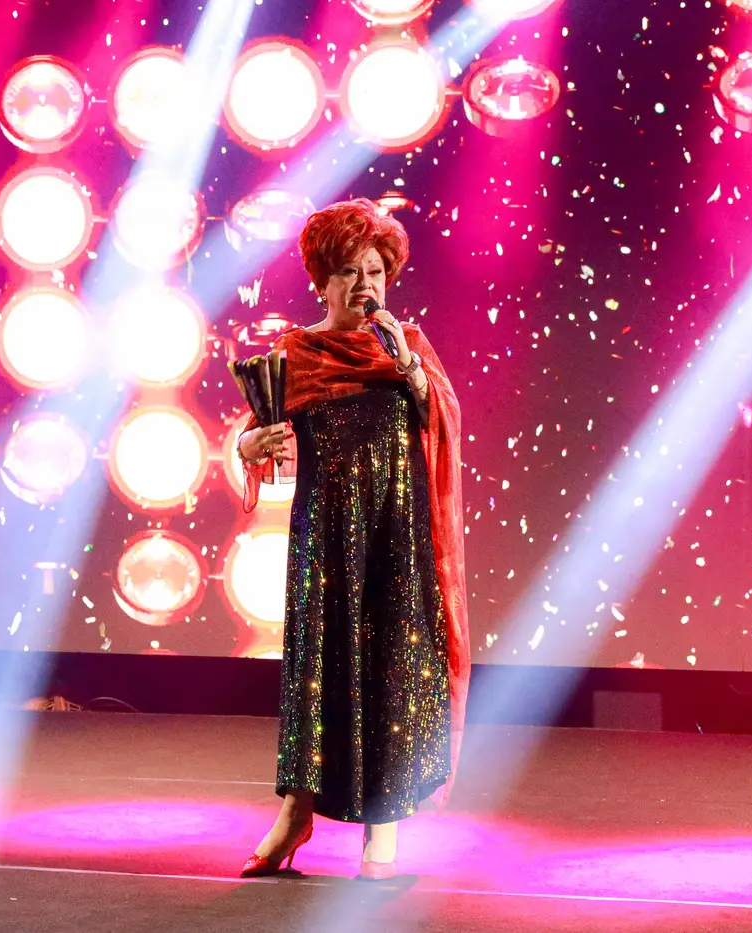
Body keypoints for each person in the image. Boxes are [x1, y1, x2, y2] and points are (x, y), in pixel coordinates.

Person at [234, 198, 469, 880]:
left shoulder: (405, 346)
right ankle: (296, 812)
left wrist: (409, 365)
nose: (366, 285)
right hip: (326, 542)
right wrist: (253, 445)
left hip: (395, 541)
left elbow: (442, 418)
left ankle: (382, 826)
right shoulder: (297, 353)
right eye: (349, 271)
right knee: (317, 674)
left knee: (392, 673)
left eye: (375, 271)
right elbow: (250, 437)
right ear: (322, 281)